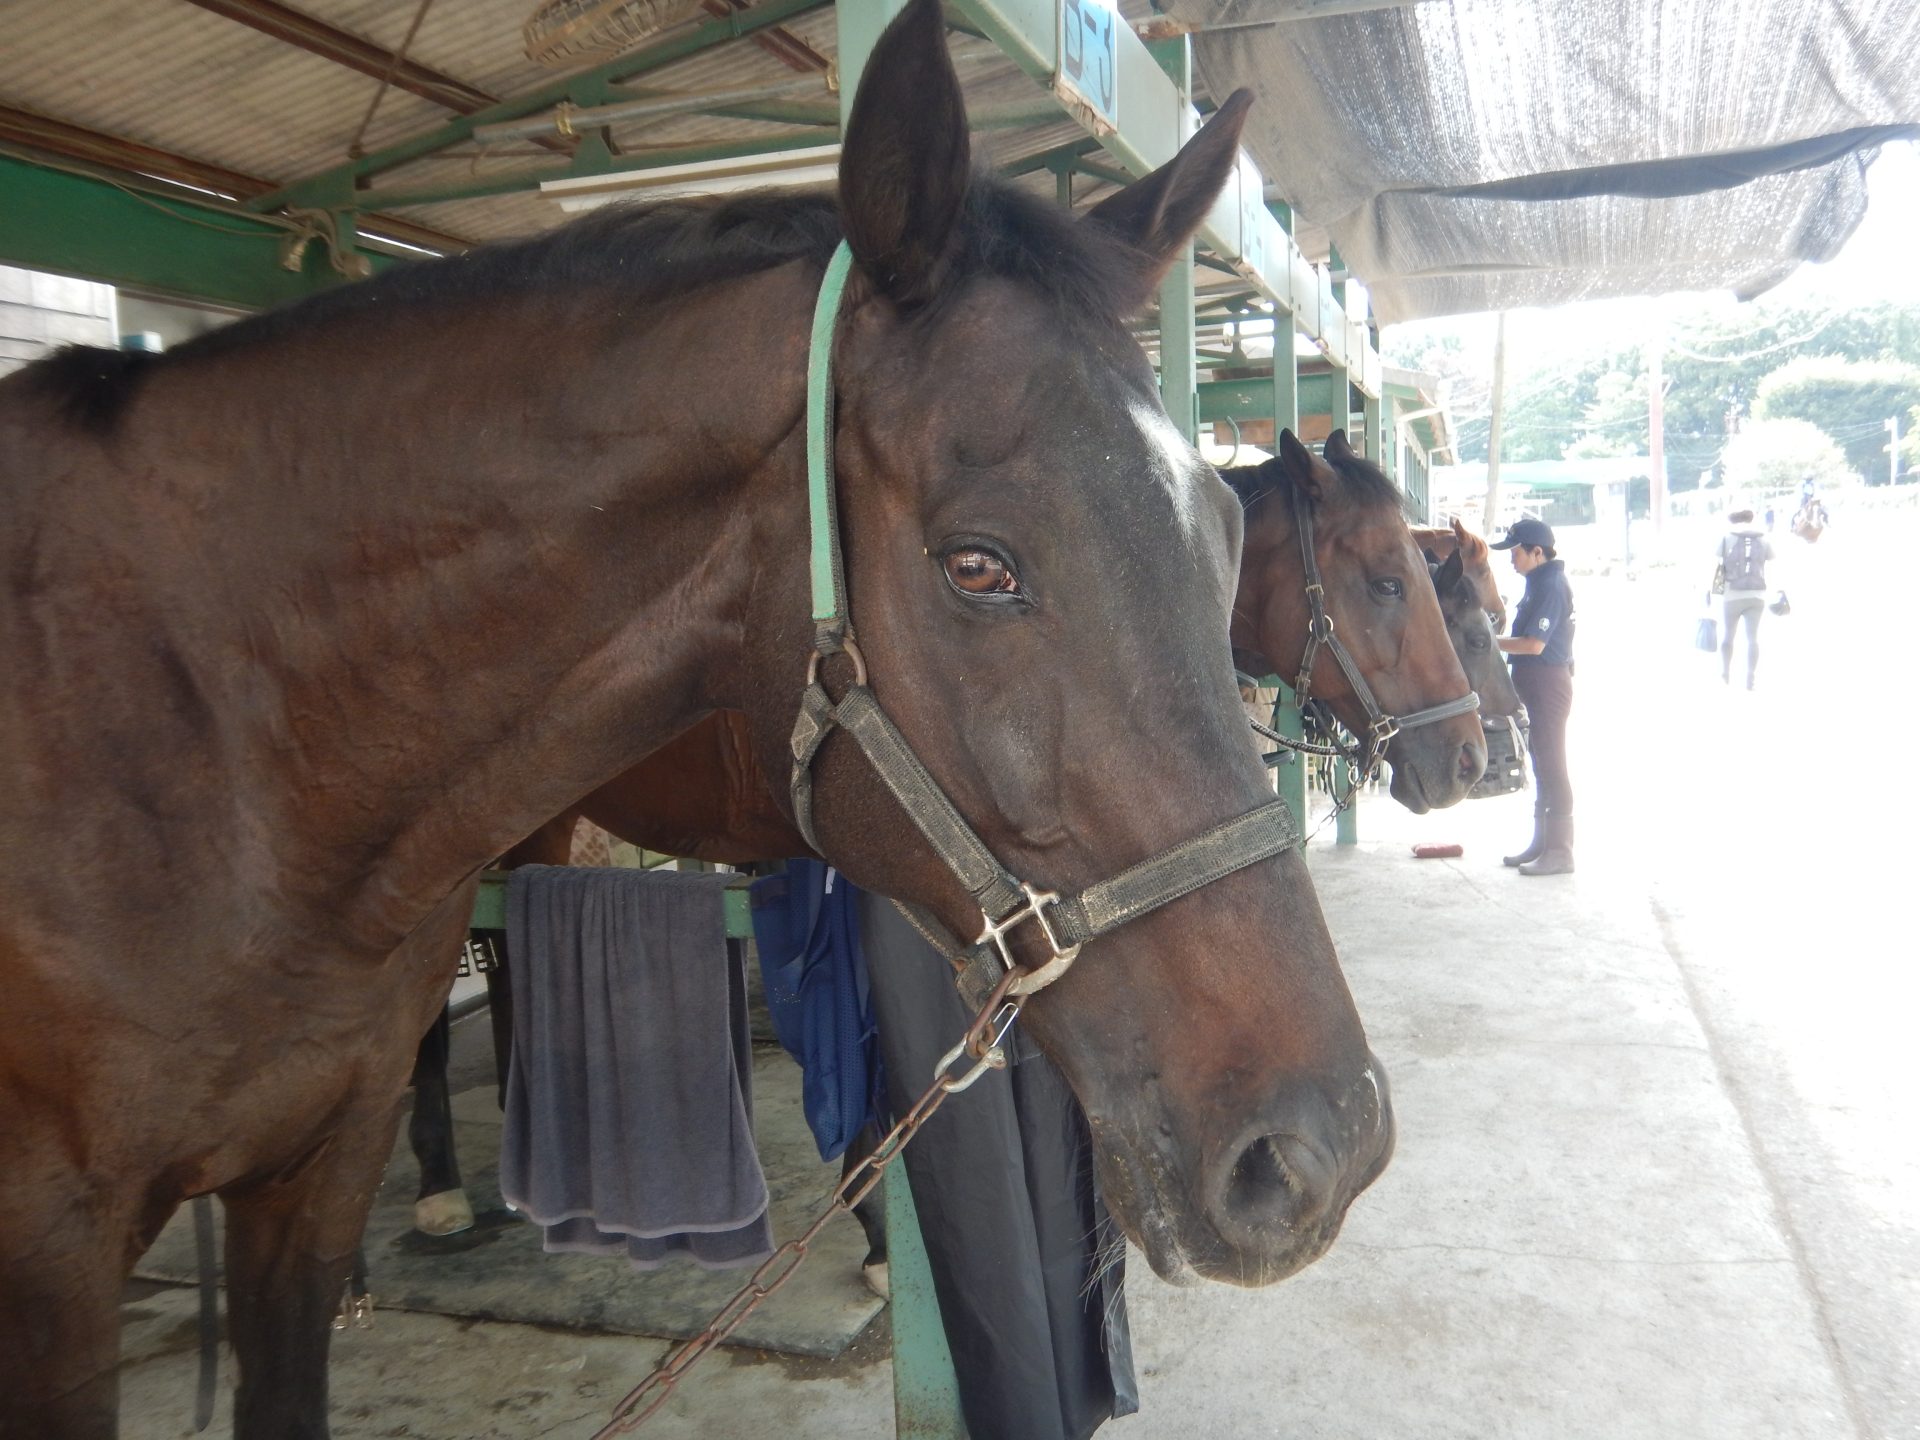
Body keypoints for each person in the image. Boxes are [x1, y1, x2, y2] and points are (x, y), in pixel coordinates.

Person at [1492, 517, 1575, 877]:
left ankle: (1561, 850)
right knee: (1540, 760)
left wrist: (1486, 643)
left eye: (1516, 552)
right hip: (1535, 683)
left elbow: (1534, 644)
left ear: (1536, 552)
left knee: (1553, 764)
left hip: (1548, 684)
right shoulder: (1537, 582)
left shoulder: (1551, 586)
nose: (1512, 559)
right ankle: (1542, 843)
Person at [1715, 508, 1775, 689]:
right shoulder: (1763, 538)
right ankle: (1751, 676)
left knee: (1728, 636)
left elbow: (1716, 564)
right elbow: (1771, 562)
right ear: (1751, 519)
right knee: (1752, 638)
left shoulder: (1726, 538)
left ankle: (1725, 673)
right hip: (1757, 595)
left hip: (1731, 594)